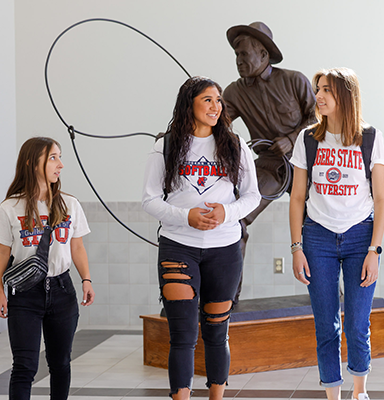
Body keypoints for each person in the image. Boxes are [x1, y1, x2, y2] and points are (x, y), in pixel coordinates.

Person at [142, 76, 260, 400]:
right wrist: (187, 216)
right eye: (207, 99)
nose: (215, 106)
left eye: (218, 100)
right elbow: (149, 199)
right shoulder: (165, 145)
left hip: (224, 250)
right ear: (189, 104)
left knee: (216, 332)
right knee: (182, 334)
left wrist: (227, 213)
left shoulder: (236, 146)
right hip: (179, 246)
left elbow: (252, 196)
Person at [288, 68, 384, 400]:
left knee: (357, 325)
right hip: (317, 239)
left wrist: (375, 250)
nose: (319, 96)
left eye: (327, 90)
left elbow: (382, 198)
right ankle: (333, 395)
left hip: (361, 238)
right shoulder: (307, 139)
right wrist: (296, 247)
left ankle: (359, 392)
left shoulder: (371, 137)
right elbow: (297, 197)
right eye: (318, 89)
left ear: (345, 95)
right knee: (326, 327)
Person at [0, 136, 95, 400]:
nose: (60, 164)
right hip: (24, 294)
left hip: (61, 289)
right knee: (24, 367)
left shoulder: (69, 204)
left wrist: (86, 279)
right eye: (53, 157)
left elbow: (77, 247)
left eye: (60, 157)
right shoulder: (10, 207)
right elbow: (2, 252)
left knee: (60, 364)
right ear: (31, 163)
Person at [222, 21, 316, 303]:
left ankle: (329, 295)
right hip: (267, 167)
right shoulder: (234, 92)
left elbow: (319, 119)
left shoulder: (294, 80)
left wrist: (291, 138)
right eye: (236, 55)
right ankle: (228, 300)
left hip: (304, 165)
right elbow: (214, 120)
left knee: (322, 226)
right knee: (235, 221)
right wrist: (177, 130)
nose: (239, 61)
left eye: (244, 54)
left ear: (263, 55)